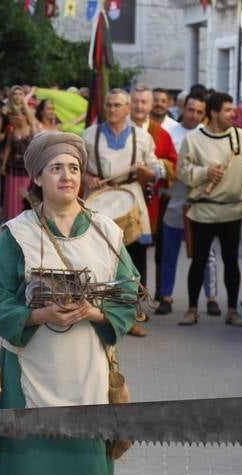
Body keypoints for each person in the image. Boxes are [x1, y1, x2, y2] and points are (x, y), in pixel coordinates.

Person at [0, 131, 137, 475]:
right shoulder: (17, 234)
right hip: (29, 370)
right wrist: (39, 313)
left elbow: (128, 292)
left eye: (75, 168)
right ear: (38, 177)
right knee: (34, 467)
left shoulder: (107, 230)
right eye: (57, 167)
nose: (67, 176)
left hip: (89, 368)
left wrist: (95, 311)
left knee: (84, 465)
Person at [177, 90, 242, 326]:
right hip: (202, 211)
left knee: (231, 262)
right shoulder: (194, 140)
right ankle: (192, 308)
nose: (233, 115)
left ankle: (233, 310)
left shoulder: (241, 137)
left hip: (232, 210)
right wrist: (204, 173)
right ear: (214, 113)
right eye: (227, 110)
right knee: (198, 261)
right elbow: (183, 172)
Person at [84, 88, 163, 338]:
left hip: (130, 198)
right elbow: (78, 166)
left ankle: (130, 316)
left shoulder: (142, 137)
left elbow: (156, 171)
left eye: (118, 105)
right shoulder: (89, 135)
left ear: (128, 108)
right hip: (100, 199)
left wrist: (145, 172)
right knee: (98, 259)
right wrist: (88, 178)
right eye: (109, 105)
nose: (112, 109)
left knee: (133, 263)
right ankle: (97, 313)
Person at [130, 85, 179, 319]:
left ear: (150, 106)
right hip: (118, 201)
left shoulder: (160, 133)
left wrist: (154, 170)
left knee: (141, 252)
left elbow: (172, 163)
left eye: (144, 102)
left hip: (149, 202)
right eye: (136, 101)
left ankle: (139, 303)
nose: (139, 106)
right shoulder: (117, 129)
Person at [158, 92, 207, 316]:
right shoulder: (169, 133)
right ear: (182, 109)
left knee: (206, 256)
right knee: (169, 253)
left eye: (199, 112)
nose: (194, 115)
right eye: (191, 110)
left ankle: (211, 297)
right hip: (175, 203)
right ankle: (166, 295)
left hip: (200, 205)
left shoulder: (207, 137)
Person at [0, 92, 38, 221]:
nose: (16, 117)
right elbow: (8, 147)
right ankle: (12, 219)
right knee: (12, 195)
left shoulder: (32, 129)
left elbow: (32, 118)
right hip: (13, 167)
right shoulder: (12, 130)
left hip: (27, 169)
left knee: (26, 194)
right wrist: (3, 165)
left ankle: (28, 220)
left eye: (19, 115)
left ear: (25, 116)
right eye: (15, 115)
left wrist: (26, 97)